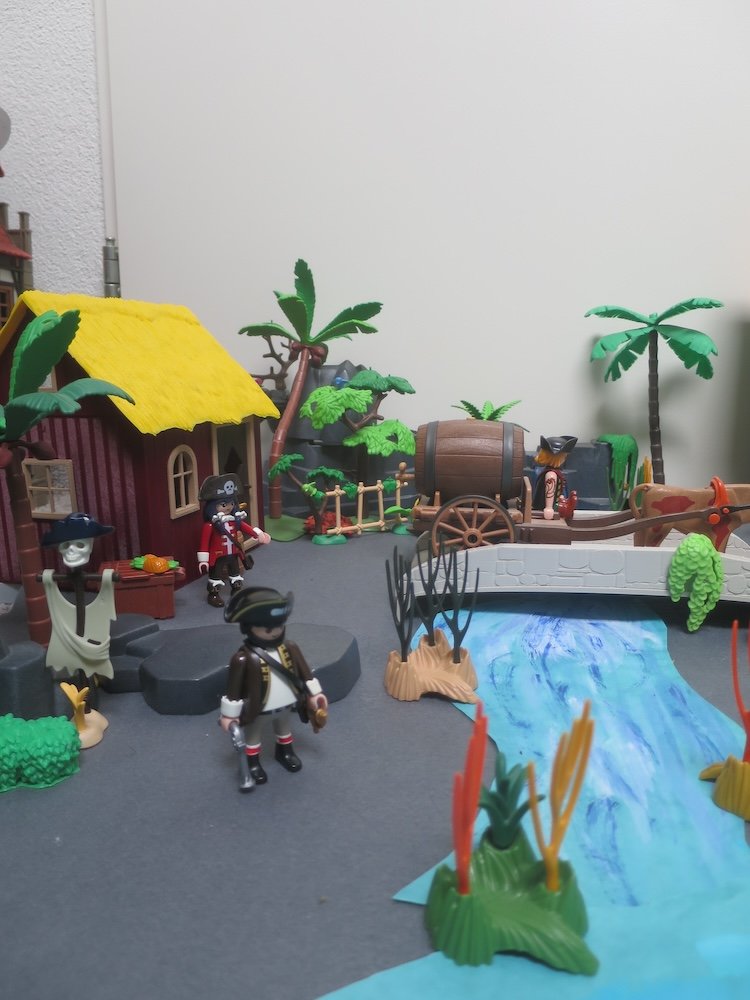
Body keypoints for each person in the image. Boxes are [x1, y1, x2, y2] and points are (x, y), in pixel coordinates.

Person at [218, 586, 328, 791]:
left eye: (279, 626)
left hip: (287, 703)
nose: (276, 632)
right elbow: (233, 690)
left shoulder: (290, 648)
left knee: (284, 729)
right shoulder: (242, 658)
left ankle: (285, 752)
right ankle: (253, 763)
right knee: (253, 737)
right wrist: (229, 715)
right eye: (268, 629)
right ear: (249, 628)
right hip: (257, 709)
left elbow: (306, 674)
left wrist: (315, 694)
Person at [197, 474, 270, 607]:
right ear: (213, 507)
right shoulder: (210, 525)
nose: (228, 507)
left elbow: (246, 528)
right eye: (223, 504)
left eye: (231, 503)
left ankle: (236, 591)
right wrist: (203, 560)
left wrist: (258, 534)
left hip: (234, 554)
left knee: (235, 574)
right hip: (217, 556)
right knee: (215, 576)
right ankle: (213, 594)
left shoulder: (235, 521)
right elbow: (204, 543)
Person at [532, 435, 577, 520]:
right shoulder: (551, 475)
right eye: (564, 456)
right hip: (545, 508)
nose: (564, 458)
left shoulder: (551, 472)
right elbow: (550, 492)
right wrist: (548, 508)